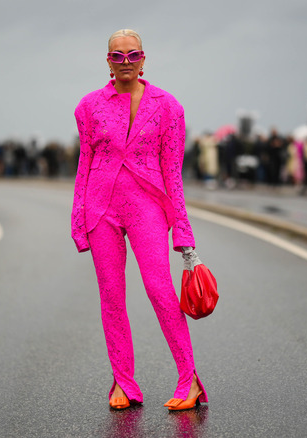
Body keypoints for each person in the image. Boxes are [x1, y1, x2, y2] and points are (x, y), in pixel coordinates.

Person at [71, 29, 207, 412]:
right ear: (108, 61)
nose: (126, 62)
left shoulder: (169, 107)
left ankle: (188, 378)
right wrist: (78, 217)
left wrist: (183, 229)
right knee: (112, 297)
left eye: (133, 55)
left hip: (147, 205)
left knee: (160, 290)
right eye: (118, 56)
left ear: (144, 59)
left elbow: (173, 173)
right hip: (100, 209)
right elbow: (85, 165)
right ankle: (124, 384)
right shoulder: (88, 107)